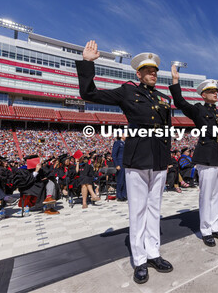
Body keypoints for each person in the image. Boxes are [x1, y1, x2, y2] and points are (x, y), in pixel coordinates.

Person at [76, 41, 173, 284]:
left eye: (155, 71)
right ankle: (139, 260)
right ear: (138, 74)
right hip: (138, 156)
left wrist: (168, 156)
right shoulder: (128, 91)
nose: (153, 74)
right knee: (138, 210)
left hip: (159, 158)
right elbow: (89, 94)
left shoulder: (163, 98)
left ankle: (153, 253)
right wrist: (88, 63)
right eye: (148, 71)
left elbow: (167, 130)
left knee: (155, 209)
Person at [170, 66, 218, 247]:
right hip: (206, 154)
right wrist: (175, 81)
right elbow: (180, 102)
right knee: (206, 195)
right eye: (211, 91)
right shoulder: (198, 110)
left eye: (216, 91)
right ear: (203, 95)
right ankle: (205, 229)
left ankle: (215, 226)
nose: (215, 94)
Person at [112, 136, 127, 201]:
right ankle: (119, 195)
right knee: (120, 180)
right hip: (120, 163)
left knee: (125, 180)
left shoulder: (125, 143)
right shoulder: (117, 143)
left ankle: (124, 195)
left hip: (126, 163)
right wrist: (116, 164)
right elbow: (114, 154)